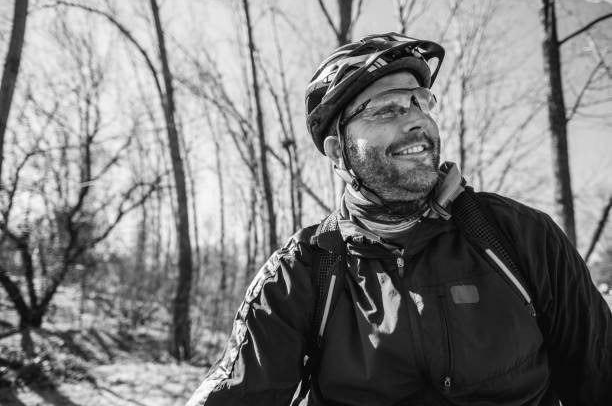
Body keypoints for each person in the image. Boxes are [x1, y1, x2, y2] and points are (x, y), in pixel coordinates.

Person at [186, 33, 612, 406]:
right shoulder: (303, 271)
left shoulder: (522, 238)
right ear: (338, 152)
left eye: (420, 103)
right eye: (387, 110)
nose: (416, 121)